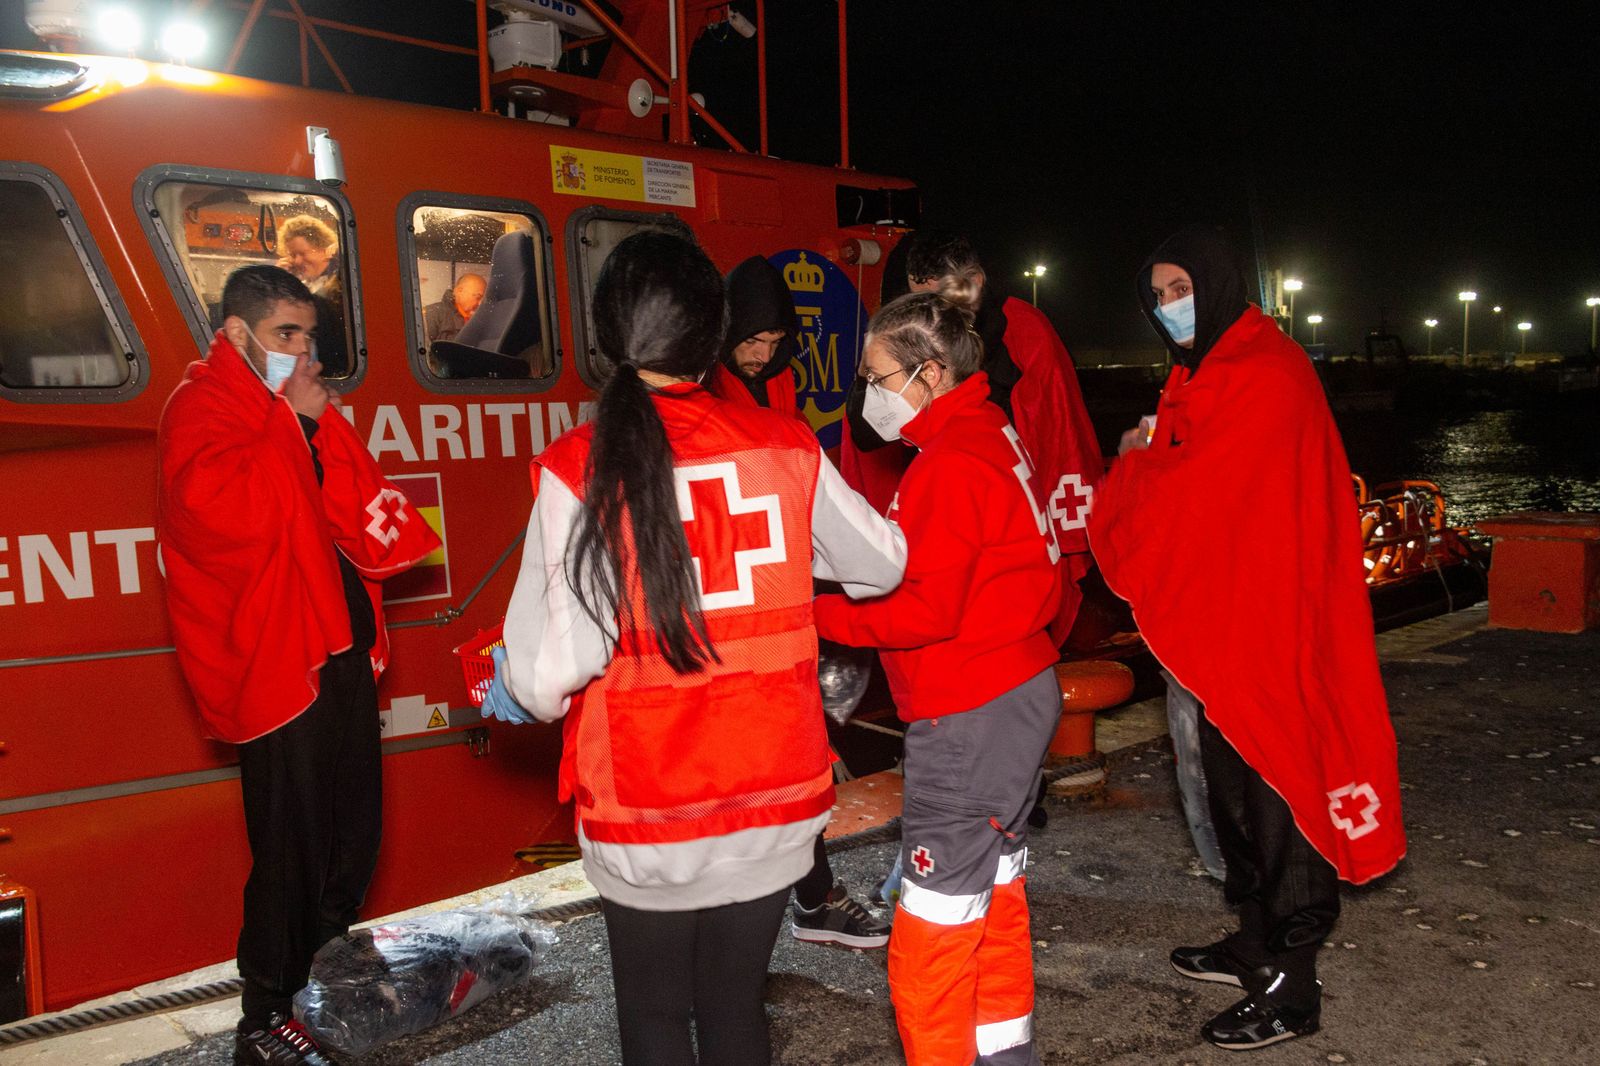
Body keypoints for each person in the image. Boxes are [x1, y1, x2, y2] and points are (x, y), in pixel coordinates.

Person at [481, 232, 906, 1065]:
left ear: (605, 341)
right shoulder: (784, 446)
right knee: (735, 1006)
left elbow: (541, 680)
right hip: (776, 796)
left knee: (653, 1016)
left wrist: (506, 681)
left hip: (649, 802)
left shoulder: (581, 468)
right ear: (712, 338)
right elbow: (881, 563)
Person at [1087, 224, 1407, 1050]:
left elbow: (1204, 484)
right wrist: (1150, 459)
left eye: (1178, 289)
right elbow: (1193, 474)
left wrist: (1133, 466)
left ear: (1219, 283)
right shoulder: (1205, 372)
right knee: (1231, 787)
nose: (1168, 309)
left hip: (1272, 624)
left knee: (1278, 786)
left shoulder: (1264, 372)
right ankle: (1254, 942)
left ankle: (1291, 987)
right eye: (1156, 297)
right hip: (1227, 618)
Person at [156, 265, 439, 1066]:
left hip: (336, 653)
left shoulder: (289, 406)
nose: (302, 350)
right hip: (280, 670)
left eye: (309, 335)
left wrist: (307, 427)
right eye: (287, 334)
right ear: (238, 334)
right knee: (290, 846)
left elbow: (344, 501)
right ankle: (264, 1016)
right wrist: (299, 428)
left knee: (352, 834)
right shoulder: (202, 405)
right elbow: (221, 514)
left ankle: (327, 980)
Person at [815, 292, 1063, 1066]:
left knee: (933, 923)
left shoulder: (948, 464)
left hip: (969, 717)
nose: (868, 394)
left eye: (876, 376)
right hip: (1020, 694)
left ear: (929, 373)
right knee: (997, 897)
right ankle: (1001, 1055)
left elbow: (924, 612)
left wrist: (818, 619)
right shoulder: (992, 434)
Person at [706, 252, 890, 950]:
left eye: (774, 343)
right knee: (773, 758)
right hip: (741, 601)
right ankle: (806, 899)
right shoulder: (707, 387)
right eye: (751, 341)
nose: (761, 354)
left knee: (790, 755)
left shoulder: (775, 382)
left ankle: (810, 897)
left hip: (773, 590)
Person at [841, 229, 1101, 646]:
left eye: (943, 300)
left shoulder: (1021, 331)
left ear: (973, 283)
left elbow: (1057, 429)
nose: (930, 318)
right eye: (917, 301)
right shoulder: (900, 332)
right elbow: (867, 429)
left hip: (998, 538)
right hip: (926, 509)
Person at [705, 254, 807, 418]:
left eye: (775, 343)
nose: (765, 357)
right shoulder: (701, 391)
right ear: (726, 337)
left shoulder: (783, 386)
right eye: (751, 341)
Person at [276, 215, 348, 376]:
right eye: (293, 255)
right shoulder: (307, 286)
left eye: (303, 253)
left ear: (324, 249)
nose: (297, 261)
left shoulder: (341, 281)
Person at [422, 272, 487, 344]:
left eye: (483, 299)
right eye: (478, 297)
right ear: (460, 290)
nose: (480, 303)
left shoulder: (482, 319)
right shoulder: (431, 314)